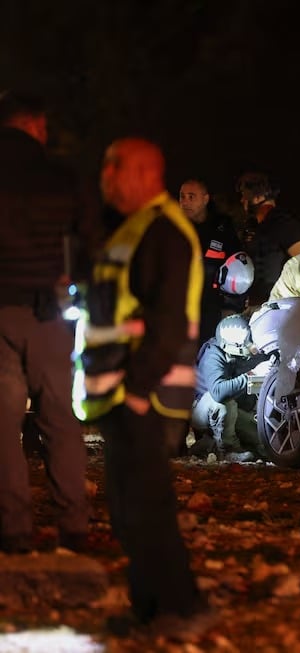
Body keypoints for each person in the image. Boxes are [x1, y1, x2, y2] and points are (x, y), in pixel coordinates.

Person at [78, 137, 213, 639]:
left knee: (147, 506)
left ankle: (182, 606)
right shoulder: (133, 229)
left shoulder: (163, 232)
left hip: (146, 395)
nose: (105, 179)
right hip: (124, 393)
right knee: (126, 506)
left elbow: (169, 323)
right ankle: (150, 607)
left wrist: (136, 388)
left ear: (143, 173)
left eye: (114, 169)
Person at [0, 91, 99, 554]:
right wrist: (74, 279)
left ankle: (14, 530)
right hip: (47, 314)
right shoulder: (60, 177)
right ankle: (73, 528)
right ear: (36, 124)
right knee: (58, 419)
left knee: (2, 425)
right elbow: (90, 242)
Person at [190, 314, 268, 462]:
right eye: (249, 346)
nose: (253, 349)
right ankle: (227, 449)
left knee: (262, 440)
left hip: (232, 411)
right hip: (202, 409)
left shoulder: (236, 354)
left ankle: (208, 444)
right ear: (234, 346)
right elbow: (219, 392)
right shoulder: (213, 355)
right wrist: (252, 374)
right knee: (223, 402)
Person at [179, 178, 243, 348]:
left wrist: (231, 307)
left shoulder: (222, 228)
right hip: (180, 306)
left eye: (191, 197)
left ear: (205, 199)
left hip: (212, 305)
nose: (185, 202)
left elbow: (239, 269)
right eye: (182, 197)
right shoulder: (174, 227)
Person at [236, 171, 300, 307]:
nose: (242, 200)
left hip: (278, 306)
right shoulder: (253, 226)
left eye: (244, 195)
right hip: (254, 304)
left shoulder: (282, 223)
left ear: (258, 196)